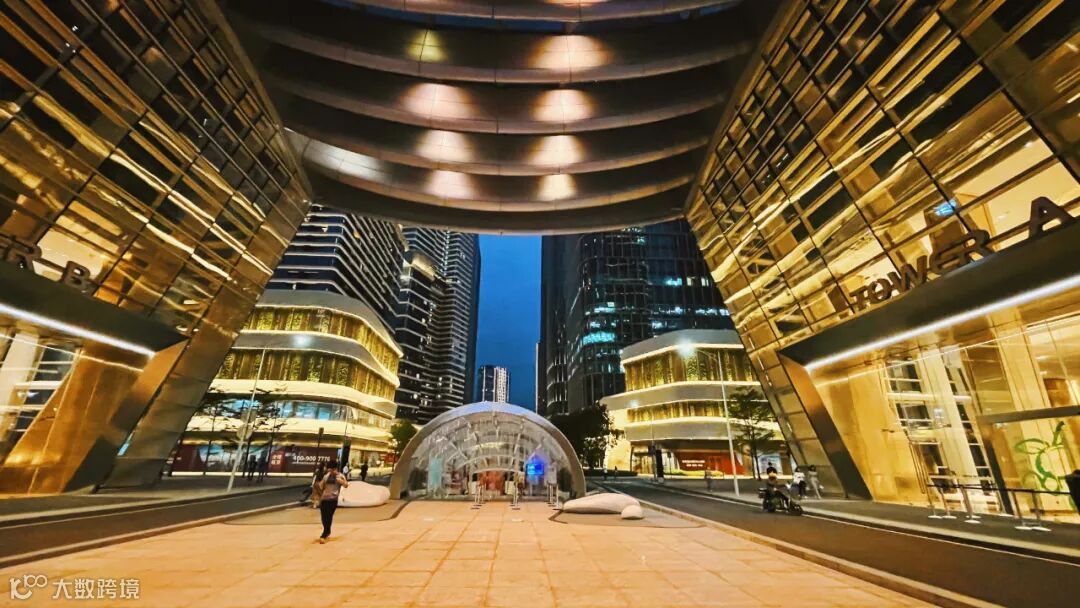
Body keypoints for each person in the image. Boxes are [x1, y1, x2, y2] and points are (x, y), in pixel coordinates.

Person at [317, 461, 349, 544]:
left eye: (331, 469)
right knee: (323, 517)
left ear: (335, 468)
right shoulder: (326, 476)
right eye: (329, 469)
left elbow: (346, 485)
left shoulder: (340, 476)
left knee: (329, 516)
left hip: (333, 499)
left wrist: (340, 481)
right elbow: (321, 486)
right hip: (324, 499)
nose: (330, 471)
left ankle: (324, 534)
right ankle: (327, 531)